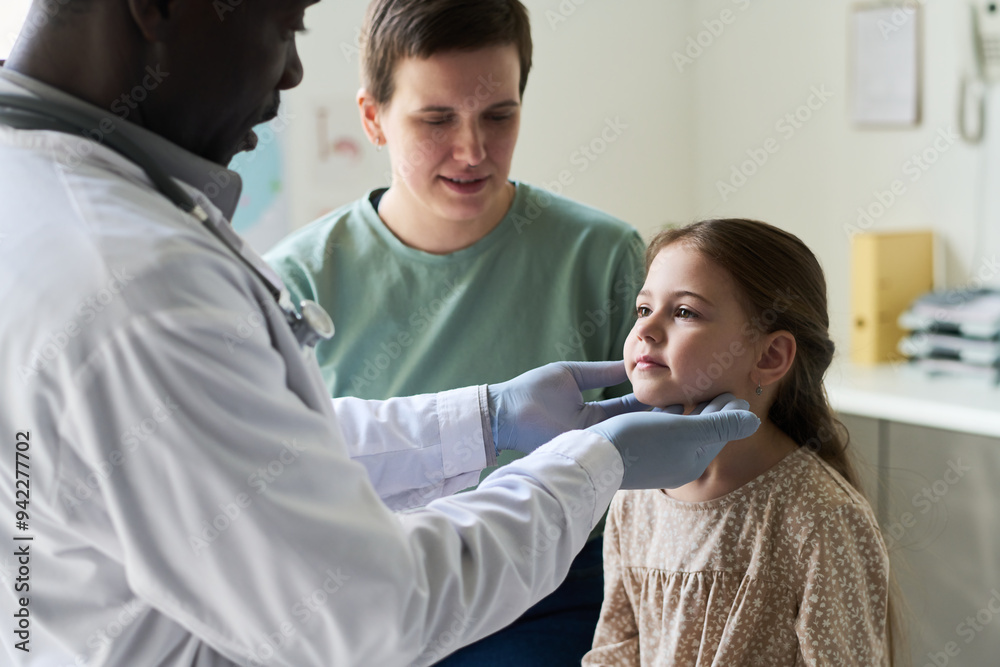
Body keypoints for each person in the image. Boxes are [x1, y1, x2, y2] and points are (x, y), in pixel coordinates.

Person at [0, 2, 759, 666]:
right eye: (285, 21)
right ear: (159, 7)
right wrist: (595, 460)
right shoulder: (136, 280)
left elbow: (264, 454)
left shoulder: (51, 205)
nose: (294, 72)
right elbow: (368, 611)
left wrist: (486, 418)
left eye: (500, 113)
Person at [264, 1, 643, 662]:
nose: (472, 151)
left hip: (562, 597)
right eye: (436, 119)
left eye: (499, 115)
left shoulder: (603, 256)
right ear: (372, 118)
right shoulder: (295, 280)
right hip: (380, 598)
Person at [583, 219, 896, 665]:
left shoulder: (821, 518)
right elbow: (615, 649)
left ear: (769, 356)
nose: (646, 331)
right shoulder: (634, 495)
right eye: (643, 309)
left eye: (684, 312)